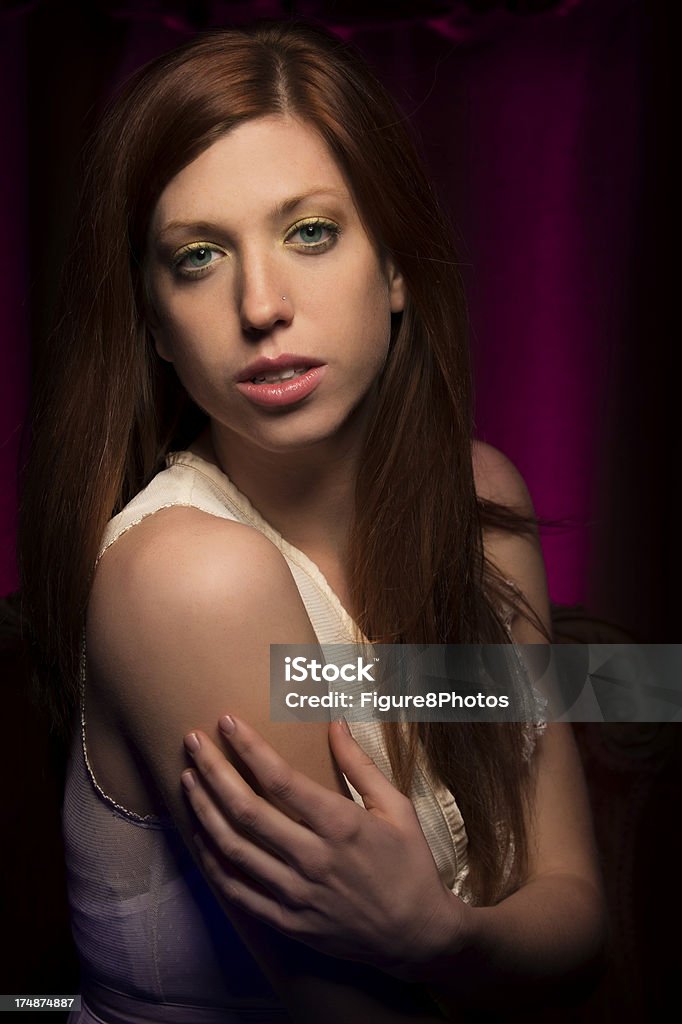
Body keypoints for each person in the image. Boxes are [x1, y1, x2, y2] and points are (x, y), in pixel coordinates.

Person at [18, 20, 606, 1023]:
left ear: (395, 268)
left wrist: (446, 934)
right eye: (198, 256)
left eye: (309, 232)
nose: (261, 303)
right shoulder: (188, 576)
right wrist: (464, 953)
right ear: (155, 323)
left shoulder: (480, 505)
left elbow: (575, 909)